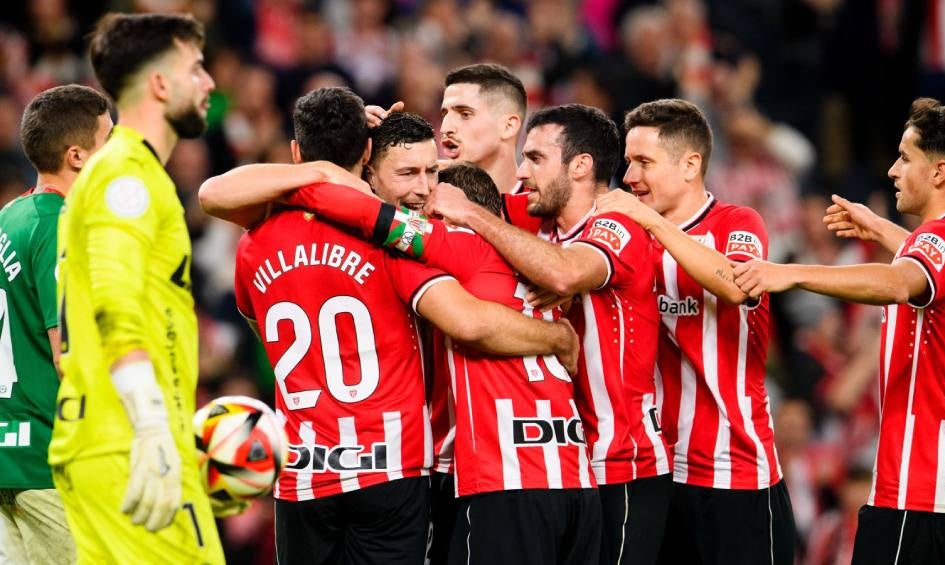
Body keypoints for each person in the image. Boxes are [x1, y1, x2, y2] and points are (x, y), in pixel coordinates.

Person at [221, 87, 580, 564]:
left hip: (303, 475)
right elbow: (468, 322)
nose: (425, 186)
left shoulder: (253, 243)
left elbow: (257, 319)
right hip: (390, 468)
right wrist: (557, 337)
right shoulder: (390, 240)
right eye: (411, 172)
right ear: (367, 155)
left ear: (294, 153)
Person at [734, 97, 945, 563]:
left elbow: (900, 283)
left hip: (920, 487)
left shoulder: (939, 241)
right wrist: (882, 229)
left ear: (938, 172)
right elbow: (934, 268)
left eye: (905, 158)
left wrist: (791, 273)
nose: (893, 171)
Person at [425, 104, 672, 564]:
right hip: (568, 463)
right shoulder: (540, 223)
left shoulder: (618, 225)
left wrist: (473, 216)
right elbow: (457, 190)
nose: (522, 171)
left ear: (581, 166)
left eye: (536, 158)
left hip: (623, 466)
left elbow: (562, 273)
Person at [49, 13, 224, 564]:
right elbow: (115, 301)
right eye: (196, 69)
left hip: (120, 438)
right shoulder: (127, 176)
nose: (210, 84)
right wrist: (150, 426)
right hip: (127, 440)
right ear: (161, 84)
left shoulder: (127, 172)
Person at [591, 98, 795, 564]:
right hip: (657, 471)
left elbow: (737, 285)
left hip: (734, 471)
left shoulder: (737, 223)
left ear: (690, 164)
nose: (629, 176)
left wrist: (651, 223)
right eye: (627, 162)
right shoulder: (626, 236)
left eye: (644, 162)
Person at [0, 84, 112, 565]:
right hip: (51, 460)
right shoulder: (62, 224)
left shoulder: (11, 216)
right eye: (110, 141)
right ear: (77, 156)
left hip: (7, 453)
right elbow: (70, 353)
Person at [368, 63, 527, 194]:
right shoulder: (421, 193)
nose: (445, 128)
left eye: (465, 114)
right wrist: (362, 140)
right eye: (445, 114)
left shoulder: (544, 209)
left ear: (508, 126)